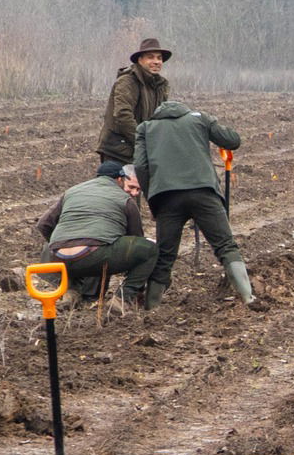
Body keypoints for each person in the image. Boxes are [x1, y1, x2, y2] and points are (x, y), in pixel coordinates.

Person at [135, 99, 254, 310]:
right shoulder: (199, 119)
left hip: (166, 198)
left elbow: (140, 166)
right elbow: (232, 140)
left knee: (165, 255)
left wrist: (152, 196)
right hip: (204, 192)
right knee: (225, 246)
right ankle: (248, 298)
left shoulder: (146, 128)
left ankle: (152, 309)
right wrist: (210, 123)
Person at [34, 161, 158, 308]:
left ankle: (70, 292)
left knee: (73, 248)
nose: (134, 192)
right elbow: (135, 238)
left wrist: (60, 244)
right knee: (149, 249)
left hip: (56, 259)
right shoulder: (124, 199)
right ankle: (122, 298)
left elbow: (43, 224)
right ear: (120, 179)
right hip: (94, 256)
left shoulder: (72, 191)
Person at [97, 37, 172, 165]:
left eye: (159, 58)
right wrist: (143, 141)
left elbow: (160, 118)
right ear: (140, 60)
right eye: (150, 57)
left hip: (139, 151)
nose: (156, 61)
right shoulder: (127, 81)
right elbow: (122, 115)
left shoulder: (160, 86)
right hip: (118, 152)